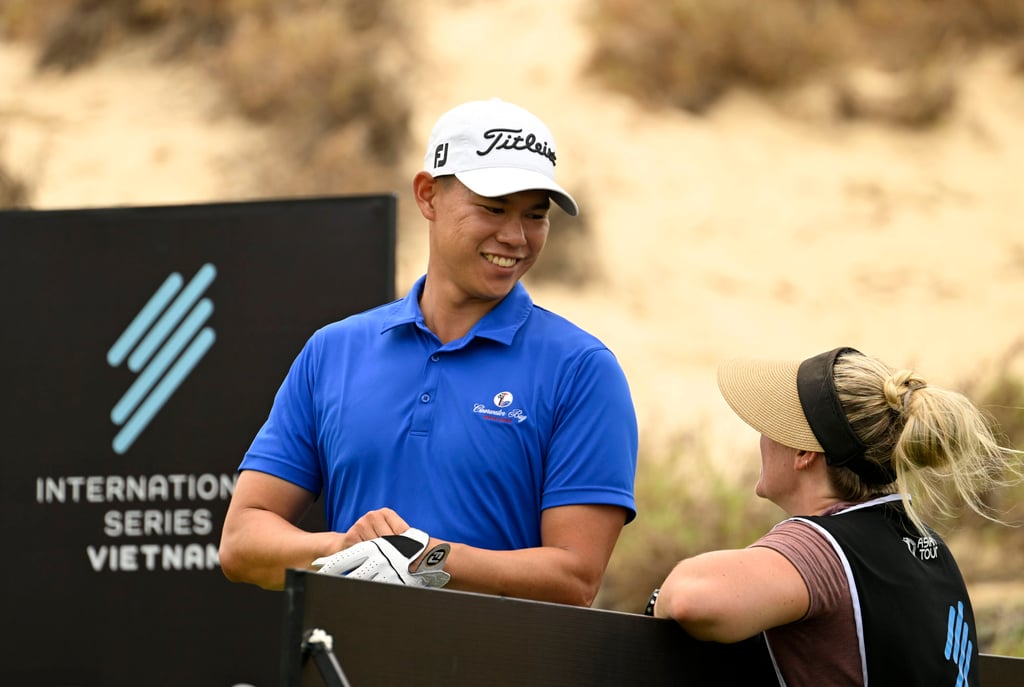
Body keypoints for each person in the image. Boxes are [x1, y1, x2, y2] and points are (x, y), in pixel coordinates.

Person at [218, 97, 639, 607]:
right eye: (493, 207)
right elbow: (242, 543)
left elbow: (575, 577)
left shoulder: (582, 370)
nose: (515, 237)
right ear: (428, 195)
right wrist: (347, 551)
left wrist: (422, 559)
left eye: (535, 215)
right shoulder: (333, 350)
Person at [649, 346, 1022, 686]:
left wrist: (658, 599)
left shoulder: (821, 548)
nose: (761, 438)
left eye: (770, 426)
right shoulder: (929, 548)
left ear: (803, 453)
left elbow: (690, 598)